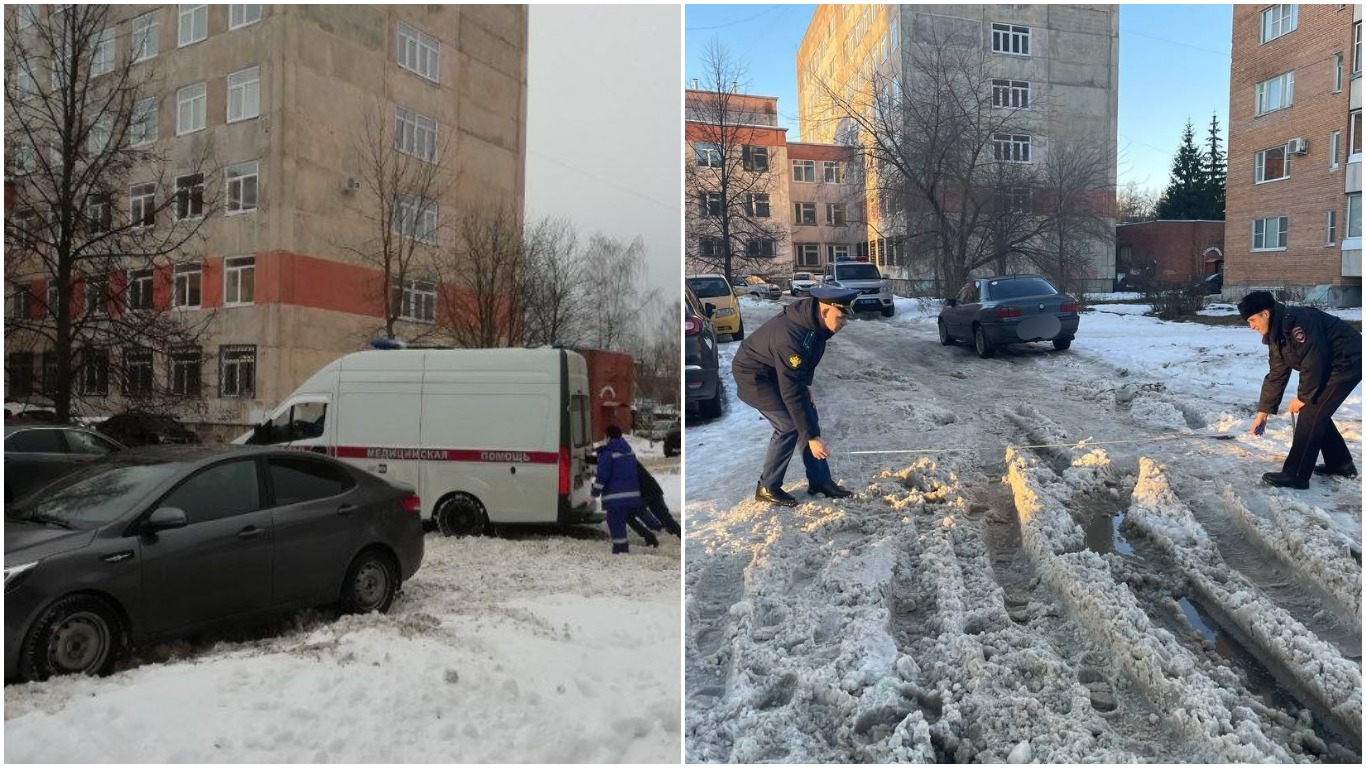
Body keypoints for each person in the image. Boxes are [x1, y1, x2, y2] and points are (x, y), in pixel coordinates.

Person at [732, 286, 860, 506]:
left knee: (806, 415)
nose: (844, 323)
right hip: (755, 376)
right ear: (825, 311)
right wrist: (811, 437)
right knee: (789, 425)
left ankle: (820, 481)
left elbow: (805, 363)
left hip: (776, 371)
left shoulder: (813, 323)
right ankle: (767, 487)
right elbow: (791, 390)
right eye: (841, 317)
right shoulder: (792, 337)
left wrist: (806, 385)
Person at [1240, 290, 1362, 489]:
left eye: (1252, 320)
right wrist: (1262, 414)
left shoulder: (1297, 323)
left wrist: (1303, 397)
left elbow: (1314, 361)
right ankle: (1341, 464)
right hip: (1333, 364)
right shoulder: (1276, 334)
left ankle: (1296, 474)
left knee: (1311, 412)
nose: (1251, 326)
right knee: (1317, 411)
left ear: (1266, 313)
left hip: (1348, 362)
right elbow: (1277, 374)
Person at [592, 424, 643, 553]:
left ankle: (620, 550)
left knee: (615, 522)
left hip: (615, 496)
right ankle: (622, 548)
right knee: (623, 521)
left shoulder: (608, 453)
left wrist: (594, 493)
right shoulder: (628, 450)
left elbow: (603, 475)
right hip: (631, 494)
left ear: (608, 436)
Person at [636, 462, 681, 537]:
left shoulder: (624, 460)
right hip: (652, 490)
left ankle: (662, 531)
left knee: (664, 518)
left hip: (649, 491)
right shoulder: (627, 457)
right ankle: (665, 532)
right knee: (665, 518)